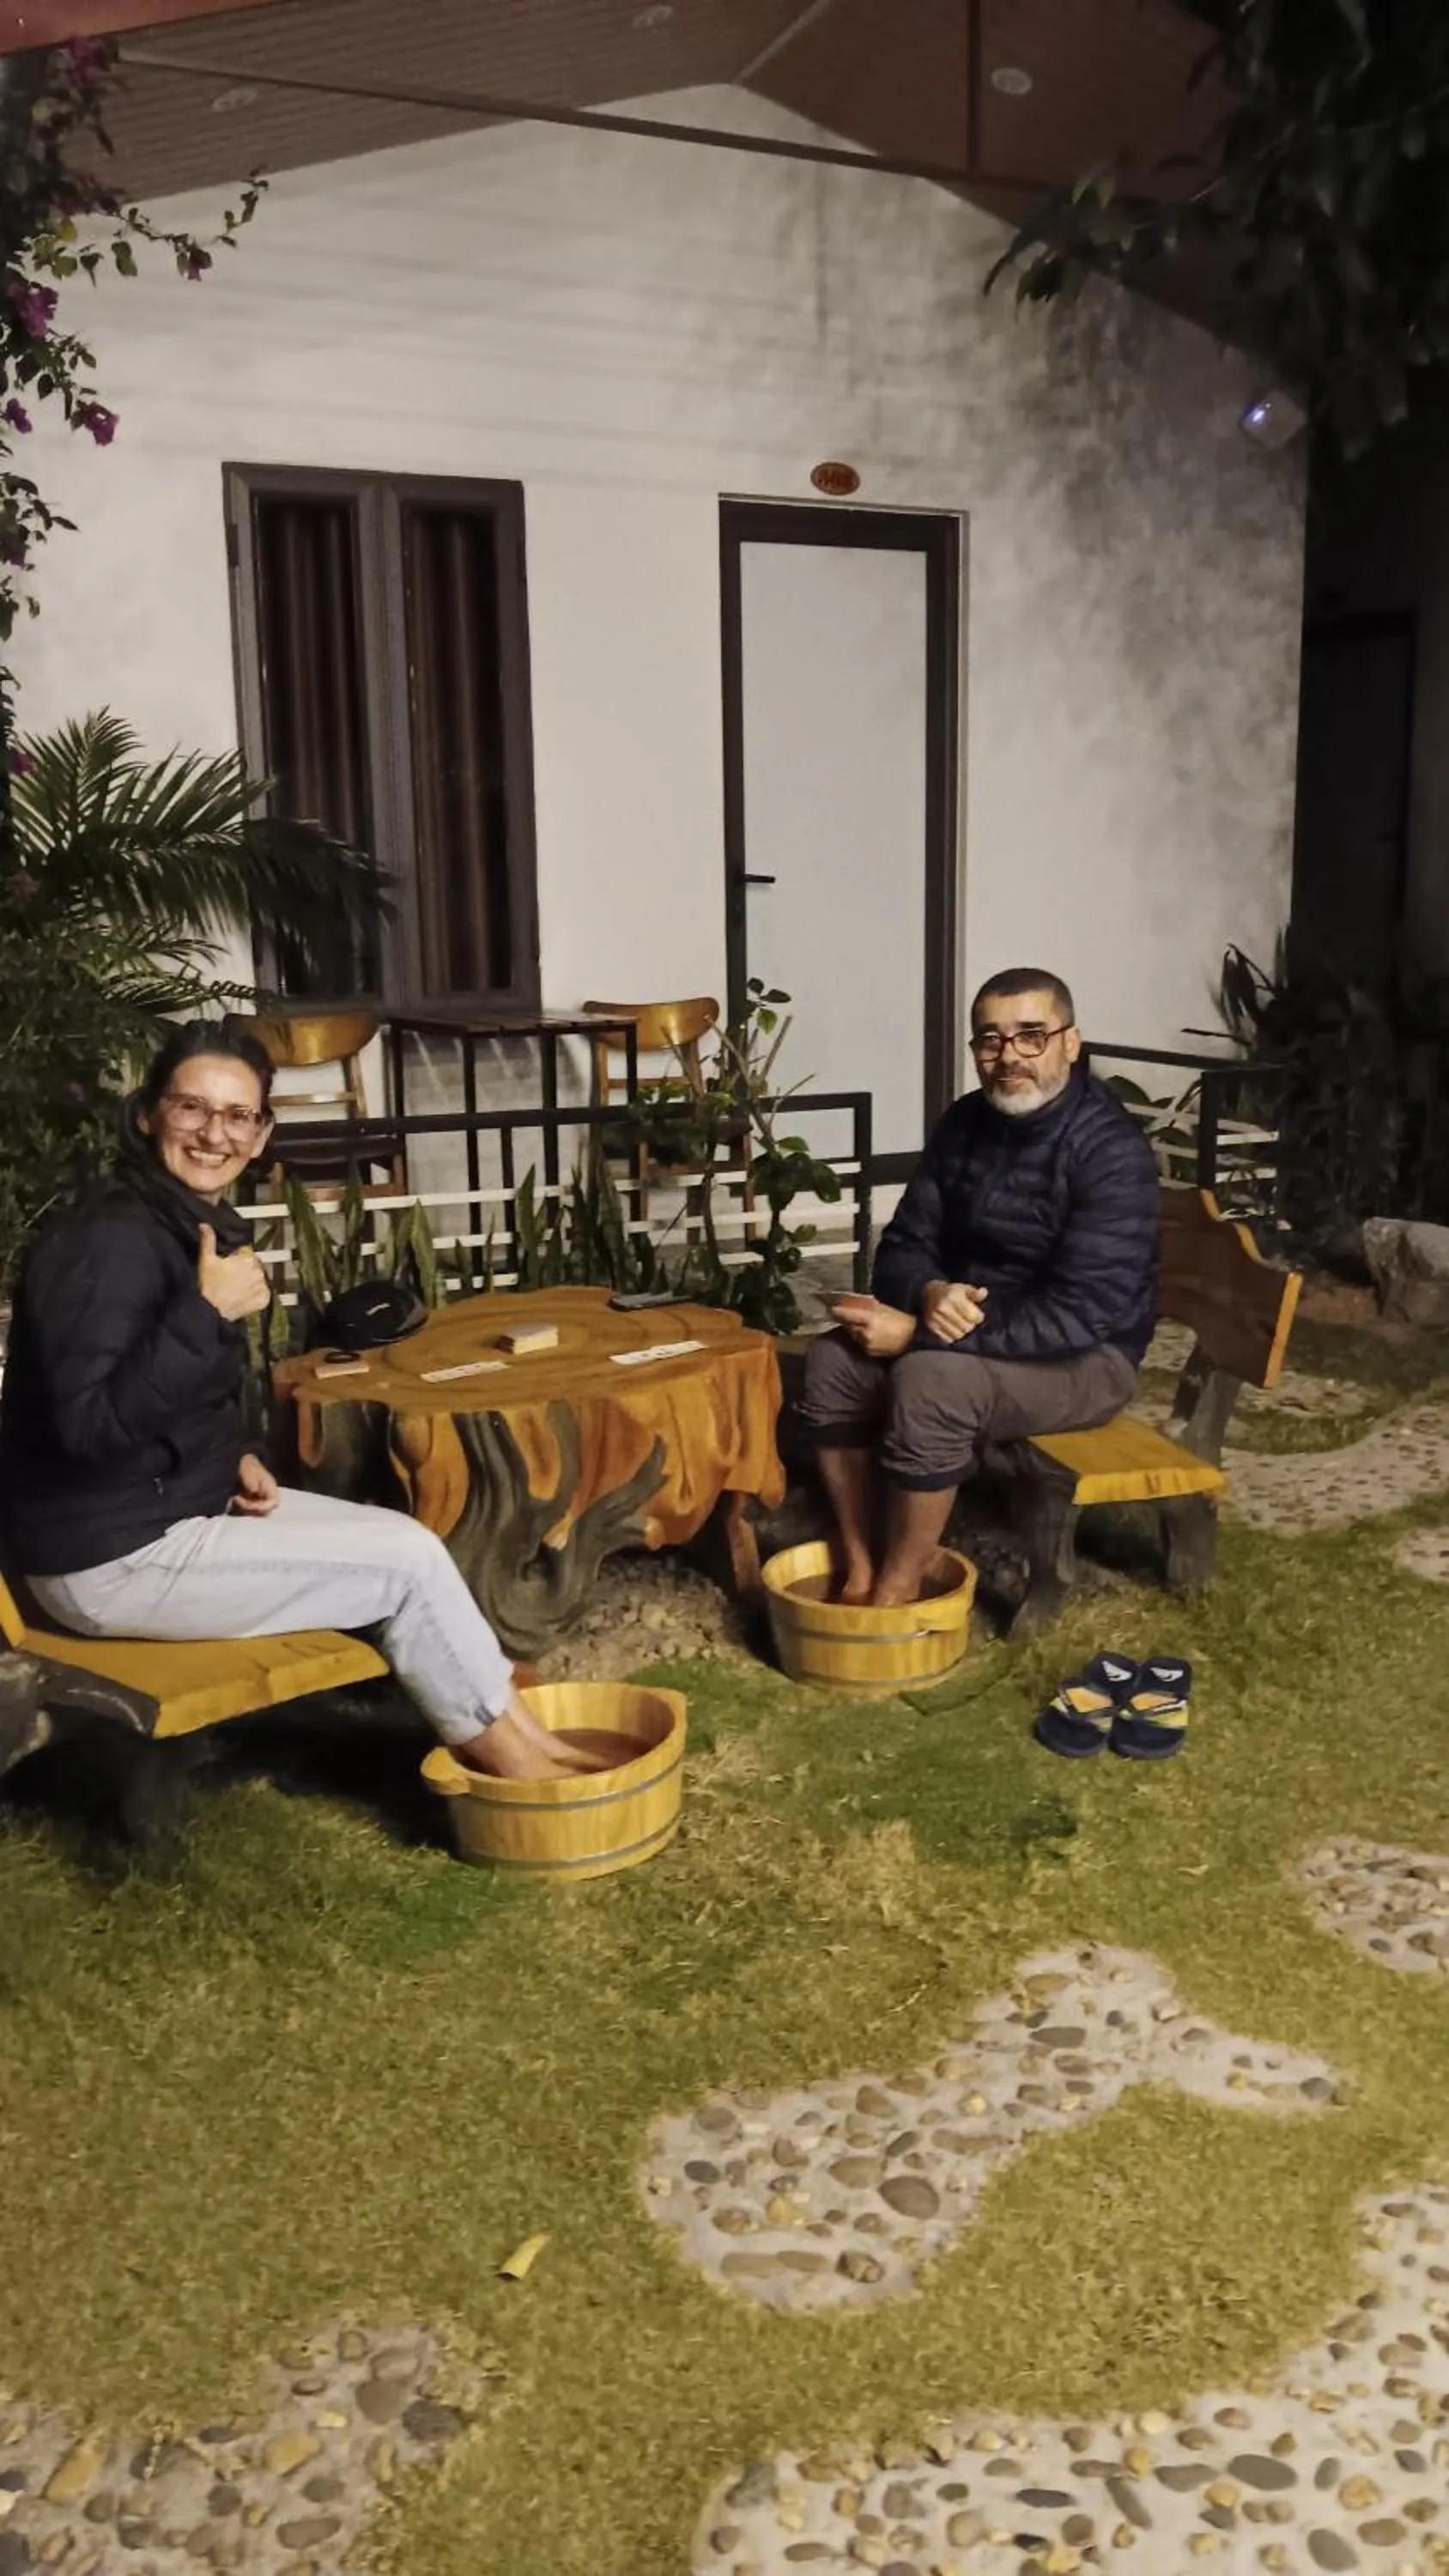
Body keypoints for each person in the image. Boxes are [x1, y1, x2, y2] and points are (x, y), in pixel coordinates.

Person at [0, 1023, 604, 1782]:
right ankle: (522, 1773)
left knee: (407, 1540)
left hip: (165, 1513)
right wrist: (204, 1314)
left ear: (261, 1135)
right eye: (192, 1108)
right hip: (107, 1560)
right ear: (149, 1113)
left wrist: (236, 1457)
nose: (213, 1134)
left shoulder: (176, 1221)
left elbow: (175, 1399)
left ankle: (532, 1738)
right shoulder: (108, 1243)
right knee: (408, 1568)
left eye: (237, 1116)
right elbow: (88, 1429)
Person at [797, 968, 1159, 1607]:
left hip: (1088, 1358)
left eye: (1030, 1036)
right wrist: (931, 1289)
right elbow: (906, 1242)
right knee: (832, 1360)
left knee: (931, 1381)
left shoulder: (1110, 1152)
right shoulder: (965, 1122)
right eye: (989, 1041)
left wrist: (915, 1333)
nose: (1007, 1057)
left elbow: (1082, 1314)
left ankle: (900, 1590)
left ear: (1071, 1044)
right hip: (971, 1332)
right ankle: (858, 1560)